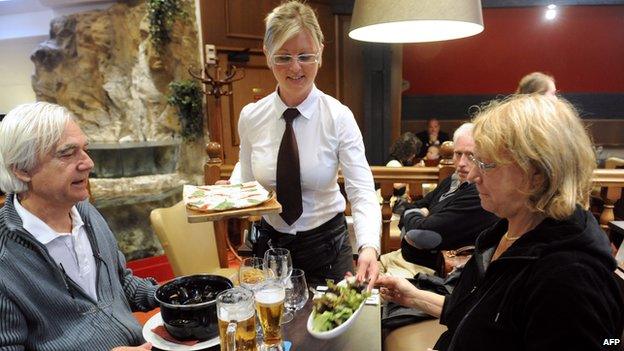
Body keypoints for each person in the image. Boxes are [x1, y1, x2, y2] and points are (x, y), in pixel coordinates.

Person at [377, 95, 624, 351]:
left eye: (485, 164)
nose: (472, 175)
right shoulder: (507, 230)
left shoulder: (571, 278)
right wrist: (413, 296)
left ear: (536, 175)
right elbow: (481, 314)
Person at [238, 1, 381, 289]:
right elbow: (247, 181)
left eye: (305, 56)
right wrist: (228, 200)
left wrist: (369, 246)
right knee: (274, 330)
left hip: (326, 247)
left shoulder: (339, 116)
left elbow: (362, 188)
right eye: (283, 57)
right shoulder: (251, 116)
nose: (295, 67)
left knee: (331, 329)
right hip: (270, 248)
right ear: (267, 55)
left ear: (320, 53)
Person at [0, 102, 158, 350]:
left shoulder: (86, 213)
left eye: (85, 149)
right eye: (67, 153)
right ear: (21, 169)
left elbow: (120, 284)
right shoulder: (5, 258)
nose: (88, 163)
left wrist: (169, 293)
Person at [396, 123, 498, 271]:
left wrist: (419, 215)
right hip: (415, 265)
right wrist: (418, 215)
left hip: (443, 275)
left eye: (471, 155)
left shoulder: (479, 193)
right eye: (458, 154)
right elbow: (411, 209)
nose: (462, 163)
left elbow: (421, 234)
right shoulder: (452, 179)